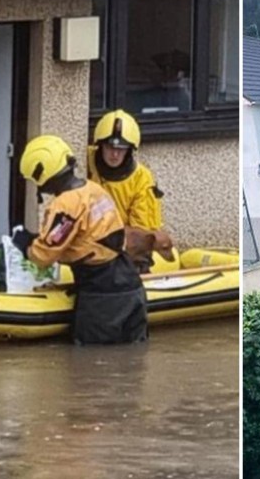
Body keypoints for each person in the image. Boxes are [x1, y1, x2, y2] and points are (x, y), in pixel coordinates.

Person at [13, 135, 147, 345]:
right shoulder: (93, 190)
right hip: (130, 286)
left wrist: (25, 243)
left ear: (44, 174)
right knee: (130, 364)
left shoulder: (66, 204)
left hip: (102, 297)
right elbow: (91, 237)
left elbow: (43, 255)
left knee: (92, 367)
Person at [88, 109, 166, 272]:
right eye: (109, 147)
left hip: (124, 251)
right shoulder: (86, 162)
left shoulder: (142, 179)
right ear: (100, 145)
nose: (114, 154)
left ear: (130, 150)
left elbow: (141, 235)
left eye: (121, 149)